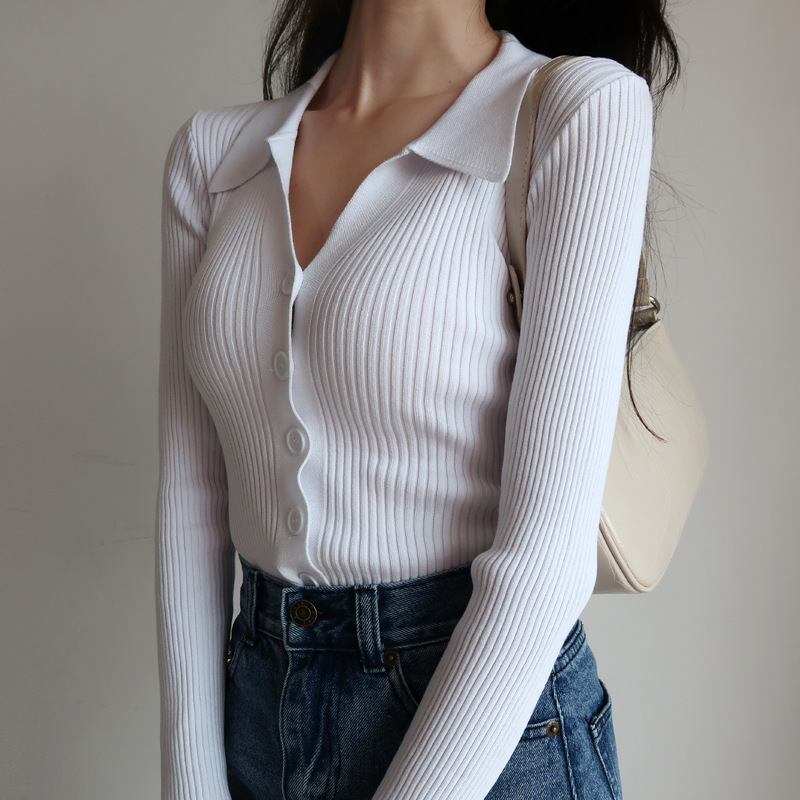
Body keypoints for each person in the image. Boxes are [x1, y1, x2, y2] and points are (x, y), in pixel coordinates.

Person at [155, 1, 681, 798]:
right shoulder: (213, 155)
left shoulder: (574, 110)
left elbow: (544, 563)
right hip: (259, 719)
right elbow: (193, 499)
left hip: (489, 736)